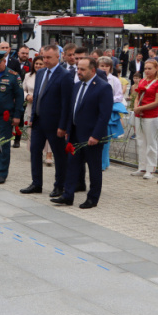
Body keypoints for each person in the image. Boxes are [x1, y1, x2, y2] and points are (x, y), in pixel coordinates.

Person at [51, 57, 112, 208]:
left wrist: (96, 135)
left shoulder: (103, 87)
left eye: (82, 69)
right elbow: (72, 109)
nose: (79, 72)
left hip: (92, 136)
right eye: (78, 68)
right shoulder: (77, 86)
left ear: (92, 70)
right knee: (72, 165)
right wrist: (67, 129)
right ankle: (67, 195)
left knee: (94, 168)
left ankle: (92, 198)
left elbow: (104, 115)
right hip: (75, 134)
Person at [20, 45, 75, 198]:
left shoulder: (64, 75)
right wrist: (33, 118)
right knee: (35, 152)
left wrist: (63, 126)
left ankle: (60, 185)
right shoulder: (41, 72)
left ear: (58, 56)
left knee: (59, 155)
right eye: (43, 57)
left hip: (55, 123)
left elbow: (67, 103)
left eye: (48, 57)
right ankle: (36, 183)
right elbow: (37, 95)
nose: (45, 60)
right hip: (38, 122)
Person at [0, 51, 24, 185]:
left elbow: (20, 97)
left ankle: (3, 172)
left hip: (5, 116)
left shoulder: (13, 76)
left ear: (4, 61)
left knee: (3, 144)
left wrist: (17, 115)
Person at [132, 59, 158, 179]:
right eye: (145, 68)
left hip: (151, 115)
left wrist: (142, 108)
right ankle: (142, 166)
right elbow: (137, 97)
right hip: (139, 114)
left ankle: (151, 169)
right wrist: (136, 107)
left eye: (149, 68)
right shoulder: (143, 81)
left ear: (156, 69)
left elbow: (157, 102)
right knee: (140, 141)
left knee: (151, 142)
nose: (147, 71)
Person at [23, 56, 53, 165]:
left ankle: (49, 154)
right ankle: (35, 152)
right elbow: (23, 90)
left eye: (41, 64)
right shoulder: (28, 76)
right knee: (32, 131)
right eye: (36, 64)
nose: (38, 66)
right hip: (31, 107)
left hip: (45, 108)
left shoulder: (48, 76)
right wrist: (27, 96)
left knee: (47, 131)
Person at [100, 57, 127, 172]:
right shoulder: (94, 78)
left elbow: (119, 96)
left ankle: (103, 163)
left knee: (106, 138)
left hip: (109, 110)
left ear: (110, 67)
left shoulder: (114, 80)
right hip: (96, 110)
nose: (104, 68)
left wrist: (108, 99)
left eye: (106, 66)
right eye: (102, 65)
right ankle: (101, 161)